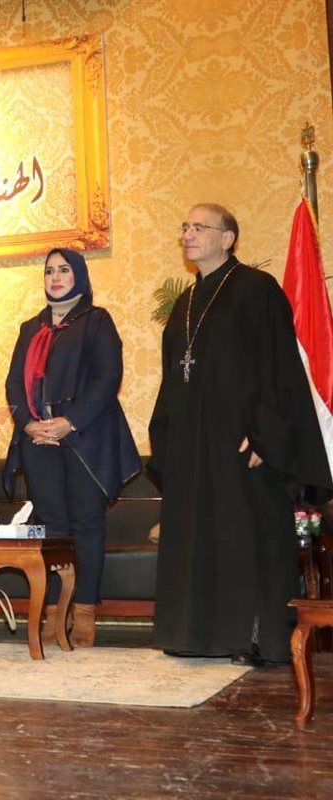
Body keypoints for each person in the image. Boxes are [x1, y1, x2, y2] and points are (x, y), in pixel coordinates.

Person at [149, 203, 333, 666]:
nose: (189, 234)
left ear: (228, 238)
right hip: (194, 448)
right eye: (185, 226)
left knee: (244, 540)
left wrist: (265, 436)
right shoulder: (184, 305)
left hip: (242, 446)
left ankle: (253, 639)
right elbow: (174, 376)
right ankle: (193, 634)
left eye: (200, 227)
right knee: (198, 540)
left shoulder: (256, 289)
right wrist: (167, 441)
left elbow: (279, 369)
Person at [3, 248, 140, 647]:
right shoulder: (31, 328)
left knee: (86, 525)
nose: (56, 277)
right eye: (50, 271)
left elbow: (107, 379)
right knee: (51, 528)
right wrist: (29, 424)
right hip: (39, 440)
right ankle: (53, 613)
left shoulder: (97, 321)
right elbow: (13, 383)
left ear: (78, 275)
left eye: (64, 270)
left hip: (85, 438)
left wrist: (69, 422)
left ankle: (84, 613)